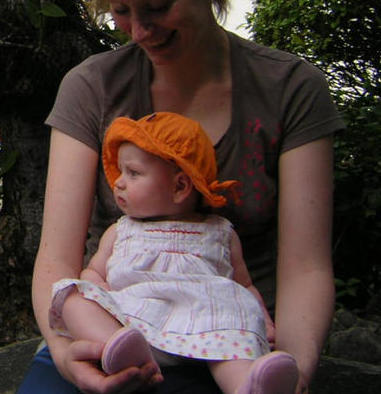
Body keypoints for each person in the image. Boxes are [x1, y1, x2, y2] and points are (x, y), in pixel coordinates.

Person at [18, 0, 344, 394]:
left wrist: (296, 368)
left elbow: (304, 266)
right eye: (122, 11)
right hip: (116, 334)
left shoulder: (289, 89)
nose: (140, 31)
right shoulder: (91, 88)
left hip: (234, 343)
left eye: (158, 6)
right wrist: (64, 356)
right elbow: (57, 259)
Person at [50, 112, 299, 394]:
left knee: (235, 333)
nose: (118, 182)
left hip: (209, 327)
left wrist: (263, 323)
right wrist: (99, 289)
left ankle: (249, 385)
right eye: (120, 171)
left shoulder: (219, 232)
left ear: (180, 186)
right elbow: (94, 272)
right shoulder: (122, 231)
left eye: (133, 173)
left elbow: (244, 286)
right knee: (71, 295)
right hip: (137, 322)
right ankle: (122, 352)